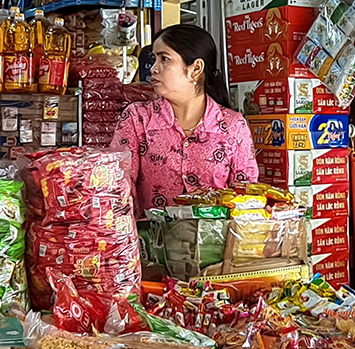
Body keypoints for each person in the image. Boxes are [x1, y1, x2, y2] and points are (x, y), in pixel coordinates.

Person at [111, 24, 259, 216]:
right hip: (152, 242)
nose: (154, 69)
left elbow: (247, 198)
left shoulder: (233, 126)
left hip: (214, 242)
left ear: (195, 69)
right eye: (154, 59)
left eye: (164, 59)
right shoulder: (137, 119)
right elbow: (119, 188)